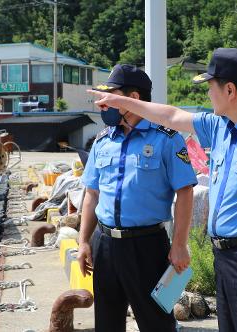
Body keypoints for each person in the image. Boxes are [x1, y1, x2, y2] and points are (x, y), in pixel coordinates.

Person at [88, 48, 237, 332]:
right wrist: (119, 100)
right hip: (224, 257)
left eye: (210, 87)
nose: (208, 94)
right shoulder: (220, 127)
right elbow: (170, 115)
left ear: (230, 90)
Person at [78, 64, 198, 332]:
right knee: (107, 323)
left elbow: (185, 191)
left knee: (156, 323)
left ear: (132, 99)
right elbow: (92, 194)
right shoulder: (102, 141)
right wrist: (84, 241)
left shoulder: (167, 139)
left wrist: (179, 244)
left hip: (147, 246)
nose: (103, 104)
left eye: (110, 96)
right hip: (105, 244)